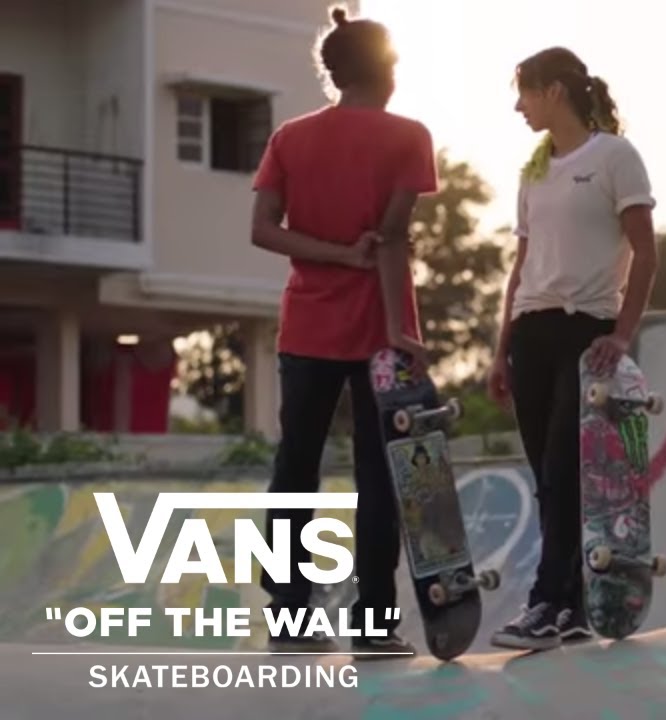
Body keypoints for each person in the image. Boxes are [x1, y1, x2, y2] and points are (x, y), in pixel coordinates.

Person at [248, 4, 437, 657]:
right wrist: (398, 329)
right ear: (384, 70)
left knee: (295, 466)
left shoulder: (291, 138)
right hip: (380, 331)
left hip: (306, 323)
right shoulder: (408, 135)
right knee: (378, 473)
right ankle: (375, 620)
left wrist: (329, 253)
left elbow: (263, 229)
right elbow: (391, 239)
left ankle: (289, 611)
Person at [487, 47, 658, 650]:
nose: (518, 105)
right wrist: (500, 345)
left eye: (525, 93)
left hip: (586, 333)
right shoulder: (533, 169)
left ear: (554, 91)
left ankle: (549, 604)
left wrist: (621, 334)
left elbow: (646, 251)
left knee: (565, 468)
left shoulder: (615, 156)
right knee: (547, 476)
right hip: (532, 331)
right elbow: (522, 264)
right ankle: (577, 606)